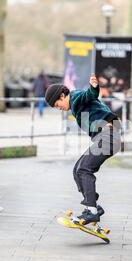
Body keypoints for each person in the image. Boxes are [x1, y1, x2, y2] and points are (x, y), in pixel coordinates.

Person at [45, 74, 121, 225]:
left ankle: (91, 211)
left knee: (84, 169)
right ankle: (92, 205)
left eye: (57, 105)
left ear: (62, 95)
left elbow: (89, 95)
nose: (58, 108)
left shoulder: (76, 97)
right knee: (77, 169)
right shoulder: (74, 105)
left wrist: (93, 88)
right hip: (105, 137)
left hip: (108, 137)